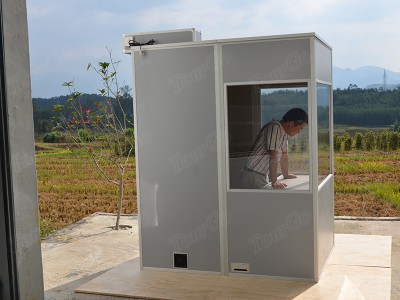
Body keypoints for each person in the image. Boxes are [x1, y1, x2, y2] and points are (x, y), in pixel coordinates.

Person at [239, 108, 308, 189]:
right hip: (252, 176)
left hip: (261, 175)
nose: (299, 132)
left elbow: (284, 156)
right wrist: (274, 181)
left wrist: (286, 175)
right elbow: (273, 156)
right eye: (300, 128)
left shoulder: (284, 133)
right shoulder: (274, 127)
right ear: (291, 124)